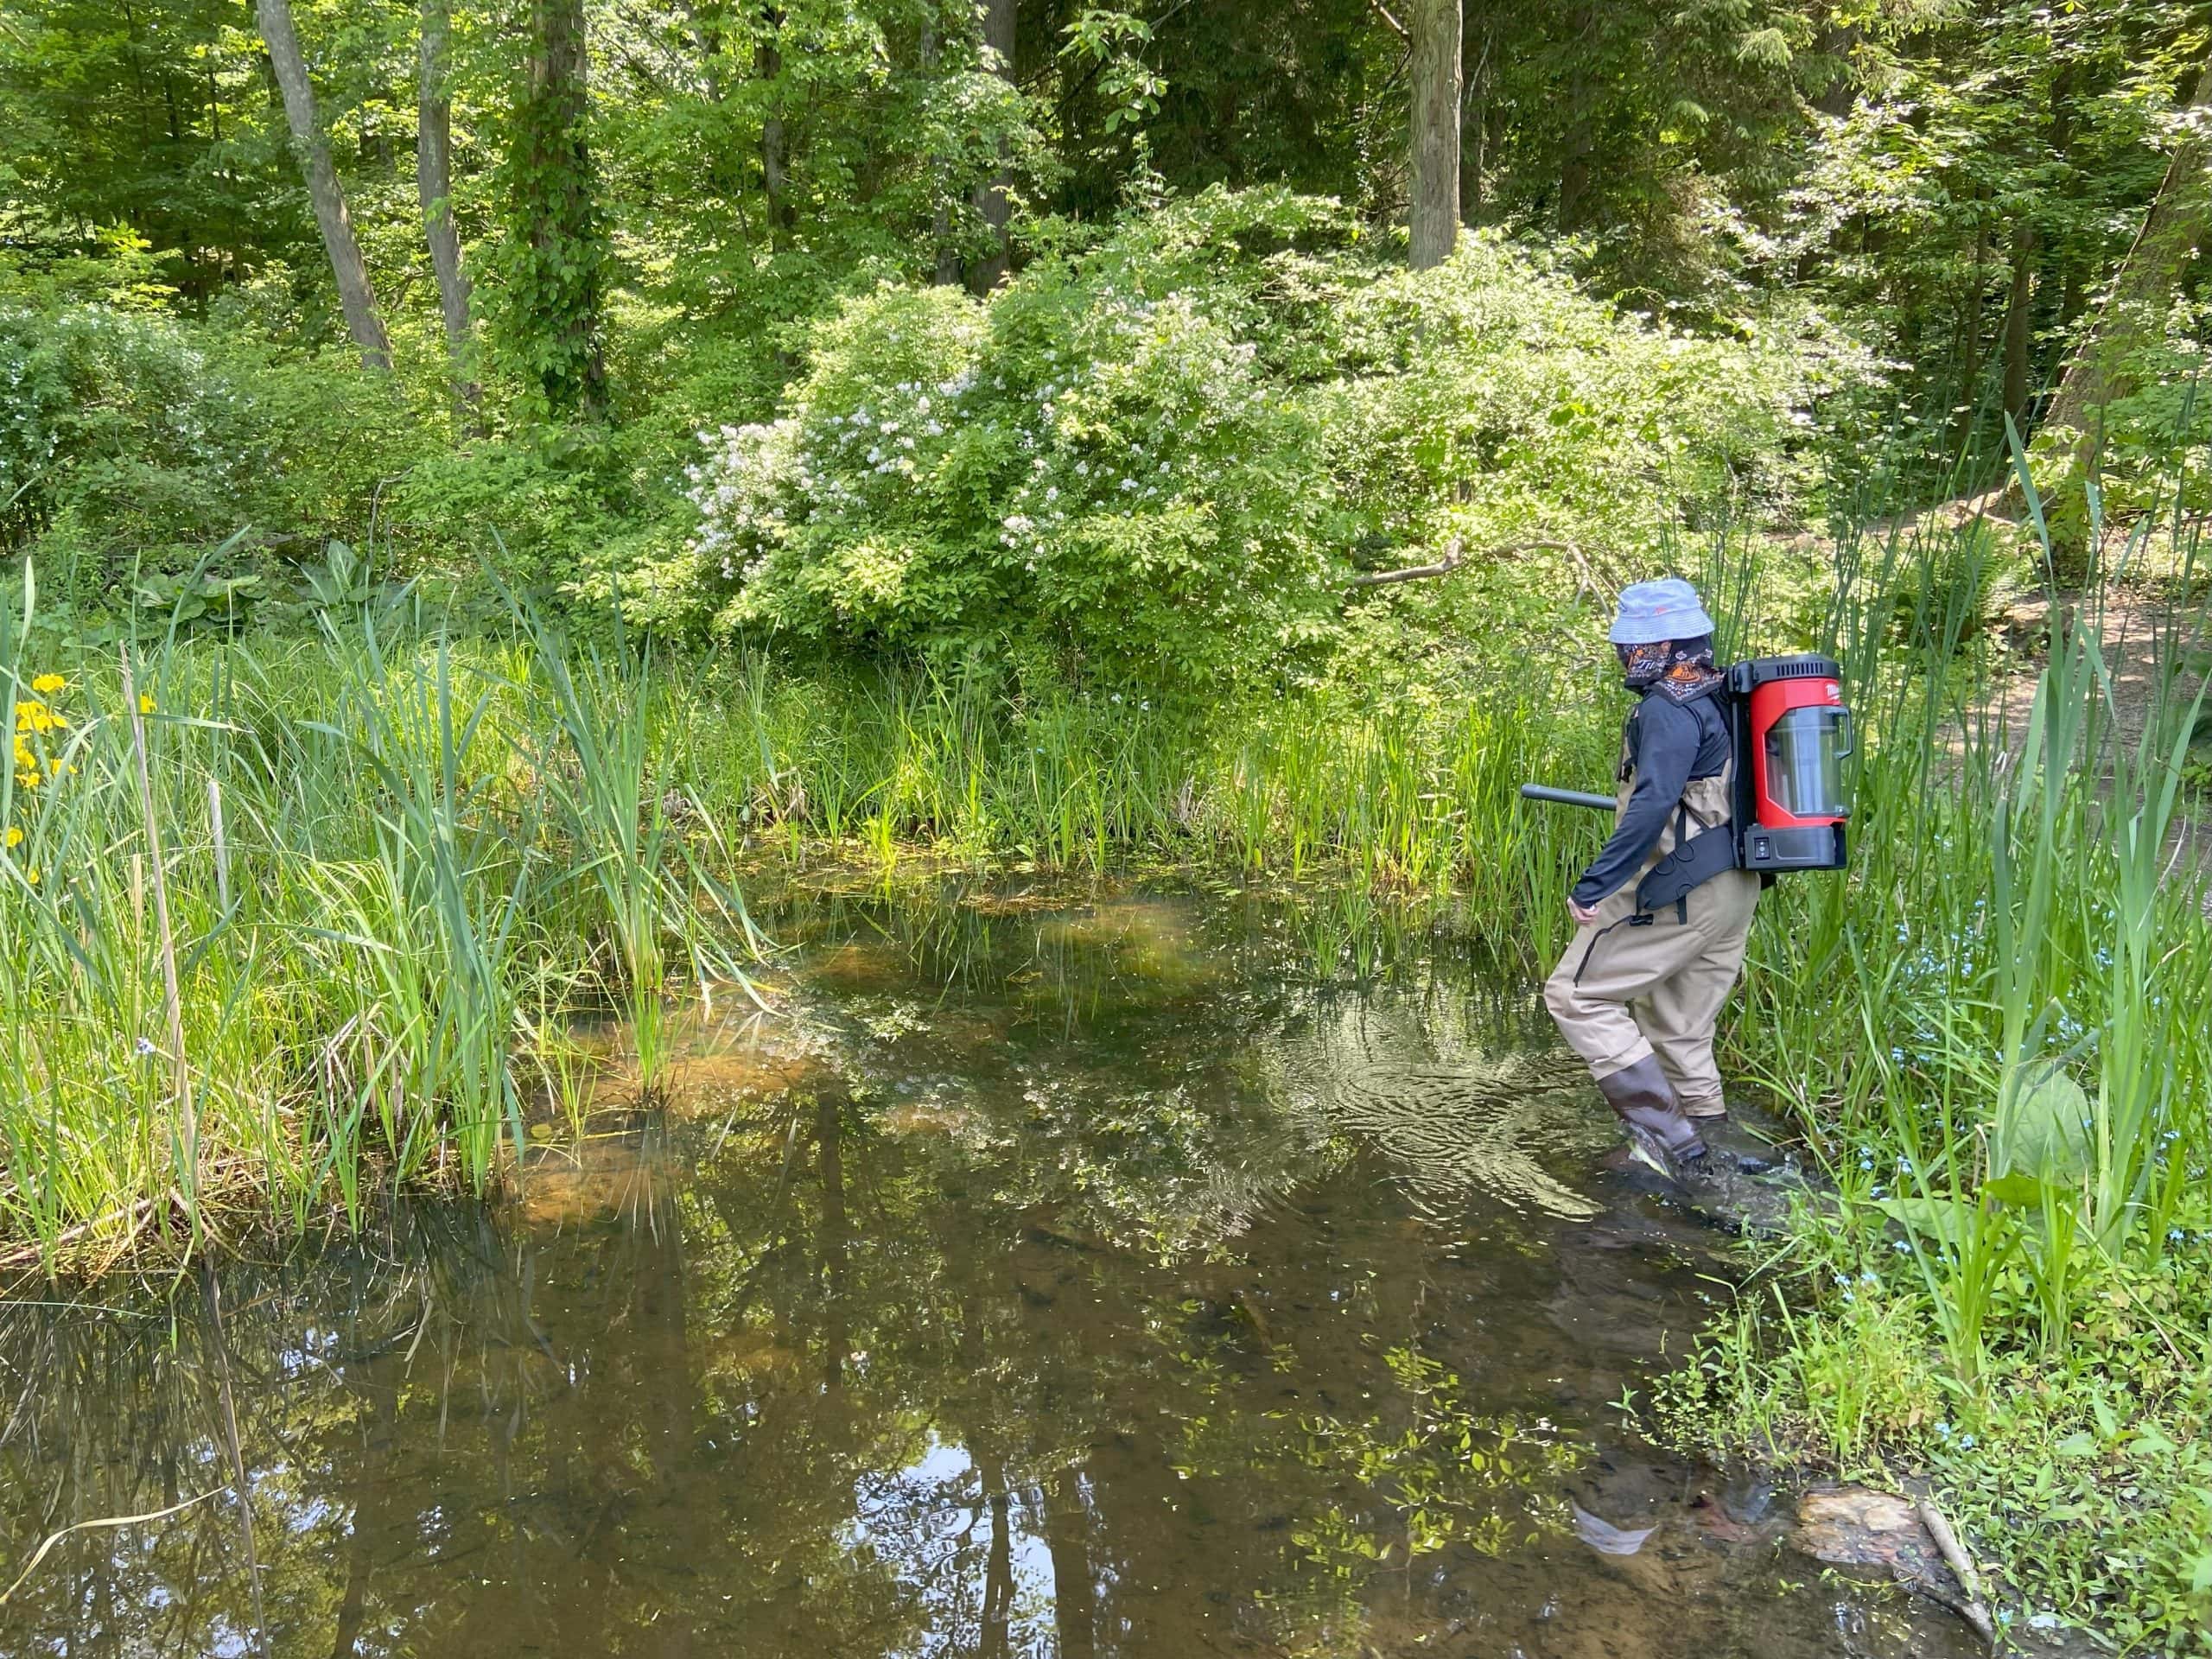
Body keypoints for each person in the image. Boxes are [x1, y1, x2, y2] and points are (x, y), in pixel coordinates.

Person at [1542, 577, 1761, 1183]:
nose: (1625, 656)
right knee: (1680, 1030)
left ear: (1663, 644)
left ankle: (1675, 1148)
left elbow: (1656, 801)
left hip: (1683, 886)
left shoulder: (1669, 706)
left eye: (1633, 644)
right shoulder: (1726, 694)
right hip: (1735, 886)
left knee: (1575, 997)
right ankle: (1716, 1169)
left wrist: (1594, 884)